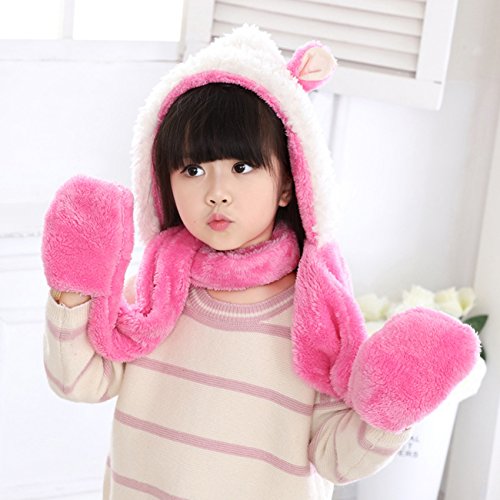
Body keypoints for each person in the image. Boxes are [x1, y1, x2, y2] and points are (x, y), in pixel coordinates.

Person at [41, 25, 479, 500]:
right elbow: (78, 380)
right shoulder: (153, 290)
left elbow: (336, 458)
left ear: (289, 183)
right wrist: (75, 287)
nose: (217, 192)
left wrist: (389, 411)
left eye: (242, 166)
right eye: (192, 169)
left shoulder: (314, 316)